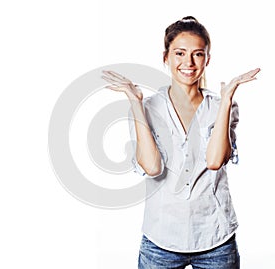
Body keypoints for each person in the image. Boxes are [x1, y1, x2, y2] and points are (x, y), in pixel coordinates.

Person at [102, 16, 260, 269]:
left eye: (198, 54)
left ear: (207, 59)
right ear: (166, 57)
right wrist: (134, 102)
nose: (188, 62)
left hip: (215, 237)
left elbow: (215, 161)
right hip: (160, 240)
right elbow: (152, 167)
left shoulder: (221, 107)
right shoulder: (148, 108)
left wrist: (227, 99)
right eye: (180, 53)